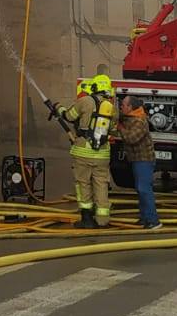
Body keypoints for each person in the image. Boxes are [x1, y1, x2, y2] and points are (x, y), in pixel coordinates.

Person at [51, 73, 116, 229]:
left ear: (94, 87)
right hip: (103, 154)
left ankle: (86, 219)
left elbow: (69, 116)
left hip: (83, 153)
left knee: (83, 184)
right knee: (101, 185)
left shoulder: (85, 101)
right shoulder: (112, 108)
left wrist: (58, 108)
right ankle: (102, 220)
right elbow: (113, 129)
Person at [115, 93, 162, 231]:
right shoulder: (131, 118)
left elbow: (131, 138)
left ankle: (153, 221)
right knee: (140, 189)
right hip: (137, 160)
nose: (121, 107)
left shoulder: (140, 121)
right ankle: (144, 218)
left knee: (144, 189)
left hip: (144, 160)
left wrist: (120, 128)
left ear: (130, 107)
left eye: (123, 105)